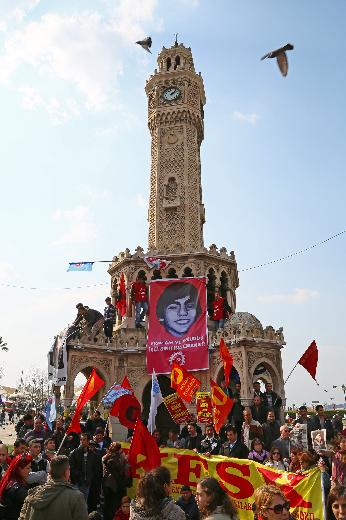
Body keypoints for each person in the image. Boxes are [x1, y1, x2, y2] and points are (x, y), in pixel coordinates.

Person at [18, 455, 89, 520]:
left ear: (50, 473)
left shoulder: (33, 494)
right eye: (69, 469)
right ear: (66, 472)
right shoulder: (76, 497)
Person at [69, 433, 101, 507]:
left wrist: (90, 479)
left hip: (87, 484)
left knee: (84, 504)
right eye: (81, 439)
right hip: (77, 483)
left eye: (84, 440)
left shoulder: (93, 454)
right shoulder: (74, 453)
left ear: (88, 441)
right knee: (76, 504)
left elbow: (95, 469)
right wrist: (79, 477)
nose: (82, 441)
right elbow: (72, 468)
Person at [0, 453, 32, 519]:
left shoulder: (10, 479)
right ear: (19, 469)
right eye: (28, 468)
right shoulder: (18, 490)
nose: (30, 470)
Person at [102, 443, 129, 520]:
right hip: (113, 486)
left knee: (109, 505)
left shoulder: (109, 457)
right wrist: (125, 460)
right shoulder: (112, 459)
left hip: (110, 485)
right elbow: (118, 470)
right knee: (112, 506)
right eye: (120, 449)